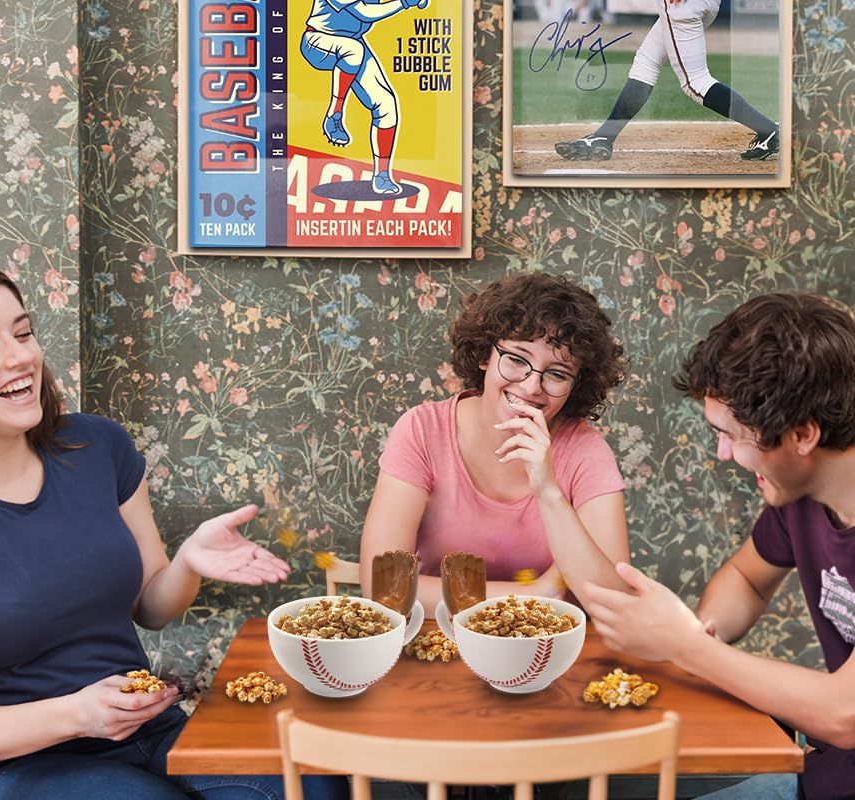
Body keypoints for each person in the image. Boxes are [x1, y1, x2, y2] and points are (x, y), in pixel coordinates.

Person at [0, 259, 349, 800]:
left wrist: (188, 560)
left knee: (312, 781)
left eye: (22, 333)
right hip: (26, 767)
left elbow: (152, 607)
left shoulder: (97, 447)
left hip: (150, 731)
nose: (21, 356)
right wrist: (76, 715)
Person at [584, 293, 855, 799]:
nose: (723, 454)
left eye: (731, 436)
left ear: (802, 435)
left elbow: (845, 714)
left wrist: (683, 647)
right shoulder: (798, 498)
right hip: (822, 778)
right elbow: (747, 578)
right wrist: (699, 633)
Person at [360, 272, 632, 617]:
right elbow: (383, 589)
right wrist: (536, 594)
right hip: (436, 646)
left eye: (557, 374)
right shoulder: (421, 431)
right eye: (517, 359)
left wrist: (548, 490)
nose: (532, 386)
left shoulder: (585, 451)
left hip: (543, 652)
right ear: (485, 355)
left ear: (575, 385)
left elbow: (616, 601)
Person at [554, 0, 780, 163]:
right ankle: (604, 137)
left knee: (695, 82)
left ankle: (769, 130)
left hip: (681, 6)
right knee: (646, 63)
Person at [301, 0, 430, 195]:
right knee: (353, 50)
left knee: (386, 105)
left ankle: (382, 175)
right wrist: (405, 3)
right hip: (318, 41)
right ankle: (335, 114)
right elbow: (365, 13)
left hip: (354, 43)